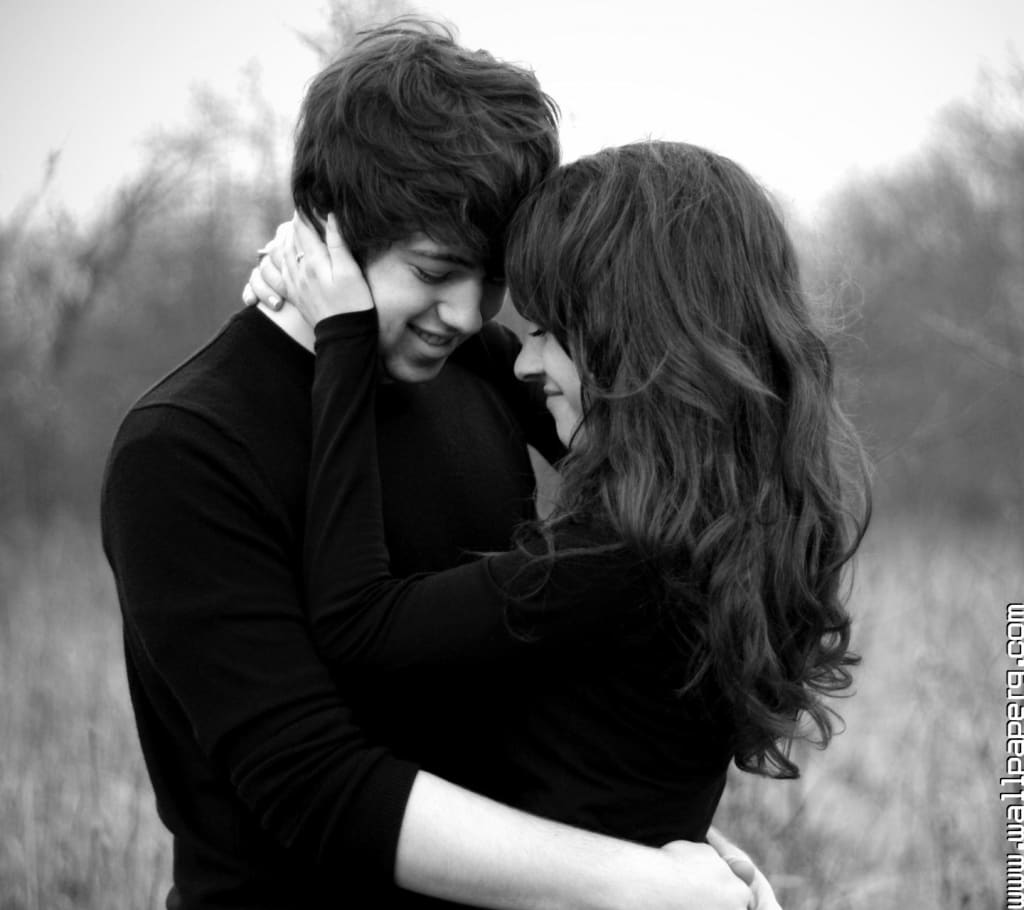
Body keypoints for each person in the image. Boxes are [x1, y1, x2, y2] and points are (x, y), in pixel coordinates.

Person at [101, 20, 766, 910]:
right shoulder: (185, 448)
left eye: (489, 279)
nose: (464, 313)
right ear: (330, 229)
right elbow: (313, 784)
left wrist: (672, 849)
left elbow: (677, 492)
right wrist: (639, 882)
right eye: (431, 270)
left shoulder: (474, 368)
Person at [253, 139, 870, 857]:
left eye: (548, 333)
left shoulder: (615, 564)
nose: (524, 359)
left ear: (632, 346)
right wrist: (388, 287)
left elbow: (359, 627)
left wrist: (345, 334)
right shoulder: (729, 515)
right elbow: (542, 388)